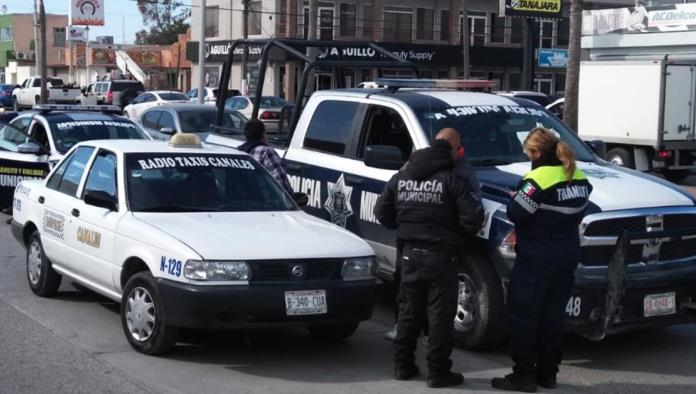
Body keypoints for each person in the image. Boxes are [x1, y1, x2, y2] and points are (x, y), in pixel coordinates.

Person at [374, 128, 484, 388]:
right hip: (441, 257)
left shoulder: (401, 177)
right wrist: (453, 234)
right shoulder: (453, 180)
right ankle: (438, 373)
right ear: (452, 153)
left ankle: (403, 366)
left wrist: (406, 227)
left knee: (408, 313)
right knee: (439, 317)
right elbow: (472, 220)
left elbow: (382, 213)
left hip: (410, 254)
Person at [491, 128, 592, 392]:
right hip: (567, 253)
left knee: (524, 314)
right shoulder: (579, 177)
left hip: (537, 256)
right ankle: (548, 374)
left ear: (536, 152)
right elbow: (575, 212)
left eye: (528, 153)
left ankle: (523, 375)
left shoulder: (536, 179)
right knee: (553, 315)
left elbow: (516, 213)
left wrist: (519, 198)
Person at [237, 119, 294, 195]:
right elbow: (281, 184)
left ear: (246, 136)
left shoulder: (239, 153)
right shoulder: (266, 152)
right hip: (265, 203)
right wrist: (291, 198)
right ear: (263, 134)